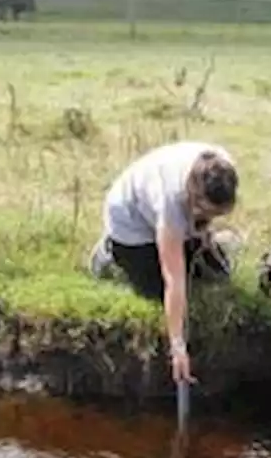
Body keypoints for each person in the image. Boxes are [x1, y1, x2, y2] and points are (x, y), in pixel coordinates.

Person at [87, 141, 240, 386]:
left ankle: (188, 237)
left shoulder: (223, 166)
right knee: (157, 290)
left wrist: (204, 230)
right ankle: (110, 253)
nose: (211, 218)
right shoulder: (169, 202)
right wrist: (177, 346)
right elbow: (174, 280)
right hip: (132, 225)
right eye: (206, 212)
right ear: (192, 194)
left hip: (178, 218)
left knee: (215, 277)